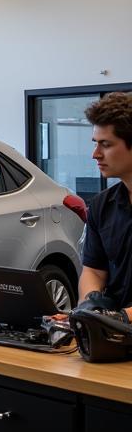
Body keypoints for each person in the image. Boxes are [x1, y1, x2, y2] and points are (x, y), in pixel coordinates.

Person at [78, 92, 132, 318]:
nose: (95, 154)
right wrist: (91, 306)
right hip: (114, 333)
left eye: (106, 144)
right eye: (95, 143)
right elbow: (94, 271)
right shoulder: (102, 205)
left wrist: (119, 319)